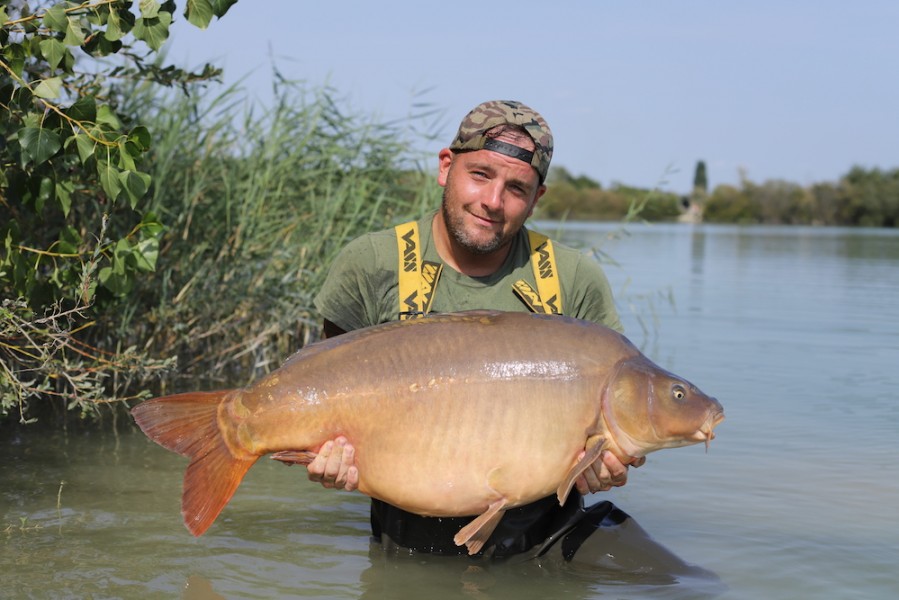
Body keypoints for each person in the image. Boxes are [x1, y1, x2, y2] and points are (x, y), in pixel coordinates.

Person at [308, 100, 644, 560]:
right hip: (408, 539)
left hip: (548, 536)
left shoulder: (572, 278)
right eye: (481, 175)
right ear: (447, 166)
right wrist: (331, 456)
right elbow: (329, 390)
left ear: (536, 198)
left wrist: (606, 465)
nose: (493, 201)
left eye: (516, 188)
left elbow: (616, 421)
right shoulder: (373, 264)